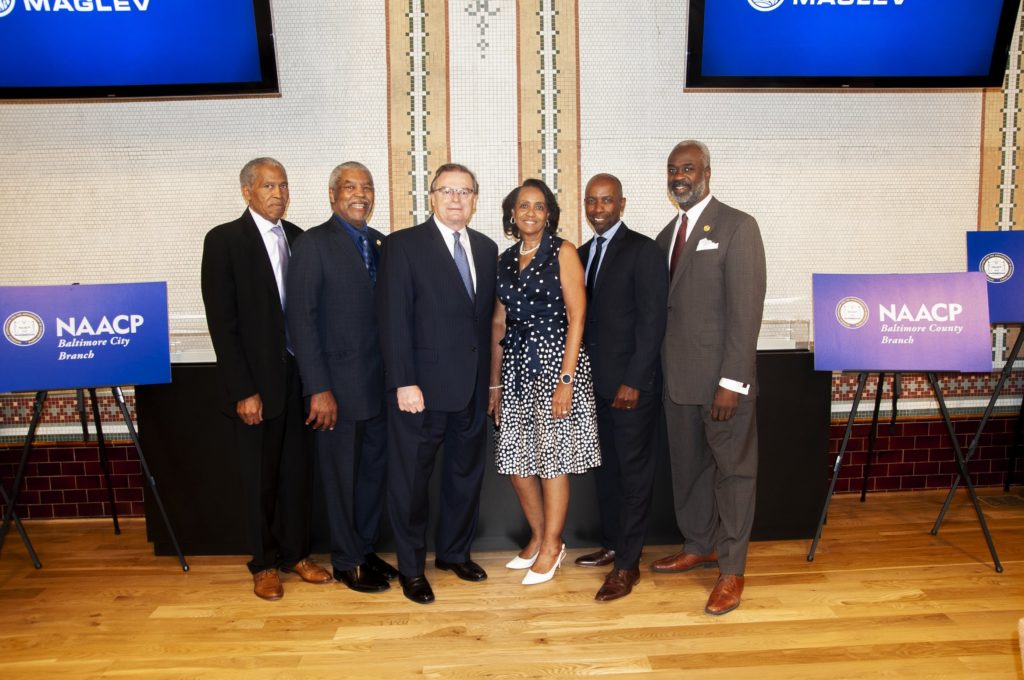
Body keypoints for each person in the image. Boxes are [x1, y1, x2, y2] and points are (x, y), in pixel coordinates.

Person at [201, 157, 332, 601]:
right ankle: (264, 563)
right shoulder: (224, 241)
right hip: (256, 387)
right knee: (261, 480)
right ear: (247, 192)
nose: (278, 194)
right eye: (268, 186)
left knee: (298, 476)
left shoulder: (299, 239)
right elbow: (223, 322)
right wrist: (244, 390)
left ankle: (297, 554)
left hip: (299, 381)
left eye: (283, 186)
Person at [651, 140, 767, 616]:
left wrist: (733, 382)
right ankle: (699, 544)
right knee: (690, 471)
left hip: (722, 386)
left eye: (689, 168)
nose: (680, 176)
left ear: (707, 172)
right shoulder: (665, 235)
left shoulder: (738, 226)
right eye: (674, 169)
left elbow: (745, 312)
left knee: (735, 475)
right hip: (677, 383)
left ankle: (732, 571)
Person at [376, 163, 498, 605]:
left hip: (471, 390)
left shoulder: (486, 249)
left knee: (464, 477)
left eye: (465, 192)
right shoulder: (403, 245)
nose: (455, 199)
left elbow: (484, 324)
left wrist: (490, 386)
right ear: (431, 196)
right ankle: (412, 569)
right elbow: (393, 320)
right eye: (447, 191)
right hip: (420, 392)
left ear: (475, 198)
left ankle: (453, 553)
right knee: (410, 483)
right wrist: (404, 382)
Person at [285, 162, 399, 594]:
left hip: (379, 387)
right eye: (350, 187)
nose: (361, 194)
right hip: (335, 390)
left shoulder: (381, 243)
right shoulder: (313, 244)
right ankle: (346, 560)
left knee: (372, 478)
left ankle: (365, 549)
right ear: (332, 196)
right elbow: (301, 320)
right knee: (340, 480)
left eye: (367, 187)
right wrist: (318, 388)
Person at [488, 178, 600, 586]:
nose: (531, 213)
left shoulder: (563, 251)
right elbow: (498, 322)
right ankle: (537, 536)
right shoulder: (503, 260)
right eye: (523, 206)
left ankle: (553, 544)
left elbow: (578, 317)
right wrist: (494, 385)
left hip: (556, 365)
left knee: (552, 459)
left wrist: (566, 380)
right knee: (517, 460)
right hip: (515, 370)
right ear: (512, 214)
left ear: (549, 213)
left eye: (539, 206)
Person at [575, 174, 667, 601]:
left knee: (633, 475)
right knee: (606, 470)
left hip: (631, 389)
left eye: (606, 201)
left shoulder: (644, 250)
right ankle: (613, 544)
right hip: (594, 388)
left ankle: (628, 565)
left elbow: (653, 322)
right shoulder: (580, 254)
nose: (598, 208)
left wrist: (634, 380)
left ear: (622, 204)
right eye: (592, 201)